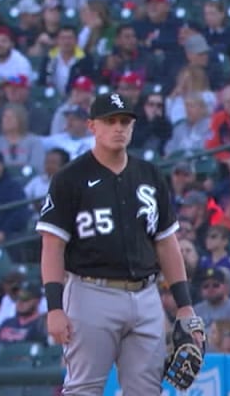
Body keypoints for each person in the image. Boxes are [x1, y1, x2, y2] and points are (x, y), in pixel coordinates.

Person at [35, 91, 204, 395]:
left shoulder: (149, 175)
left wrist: (184, 305)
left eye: (125, 121)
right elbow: (52, 246)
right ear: (92, 126)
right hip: (90, 293)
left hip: (146, 295)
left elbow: (166, 244)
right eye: (110, 121)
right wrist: (54, 307)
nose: (118, 128)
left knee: (147, 390)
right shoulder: (70, 178)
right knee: (84, 388)